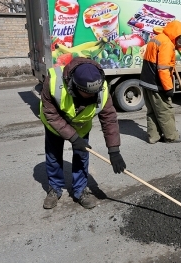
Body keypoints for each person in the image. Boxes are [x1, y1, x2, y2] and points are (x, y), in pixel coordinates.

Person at [40, 57, 126, 209]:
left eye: (95, 93)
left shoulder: (101, 87)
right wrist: (72, 137)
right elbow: (51, 114)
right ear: (73, 85)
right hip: (55, 125)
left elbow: (109, 119)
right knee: (53, 157)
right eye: (88, 94)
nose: (94, 97)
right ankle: (55, 188)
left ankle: (80, 190)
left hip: (81, 126)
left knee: (81, 157)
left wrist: (114, 150)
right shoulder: (53, 81)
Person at [139, 20, 181, 144]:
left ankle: (153, 137)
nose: (179, 38)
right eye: (179, 36)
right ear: (174, 33)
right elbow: (163, 68)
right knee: (165, 110)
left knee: (152, 111)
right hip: (156, 82)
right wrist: (168, 88)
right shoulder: (166, 43)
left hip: (146, 80)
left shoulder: (157, 38)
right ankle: (171, 136)